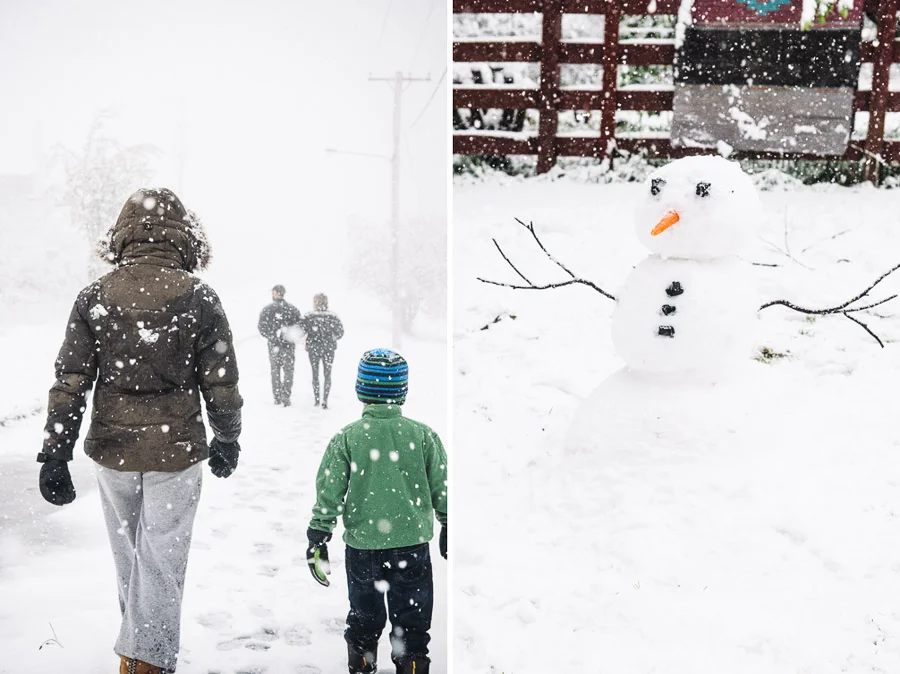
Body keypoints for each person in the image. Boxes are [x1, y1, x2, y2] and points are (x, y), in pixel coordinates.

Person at [36, 188, 243, 674]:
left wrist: (56, 452)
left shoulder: (95, 297)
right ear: (185, 236)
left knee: (131, 555)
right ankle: (148, 662)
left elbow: (71, 379)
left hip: (114, 450)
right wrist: (228, 436)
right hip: (177, 448)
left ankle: (138, 655)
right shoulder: (199, 297)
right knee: (161, 561)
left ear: (122, 234)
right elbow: (221, 379)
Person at [305, 349, 448, 674]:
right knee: (412, 629)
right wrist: (447, 521)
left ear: (361, 390)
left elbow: (329, 491)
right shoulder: (422, 436)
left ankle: (362, 664)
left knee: (364, 622)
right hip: (411, 546)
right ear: (402, 392)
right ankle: (412, 666)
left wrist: (319, 532)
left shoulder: (348, 438)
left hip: (363, 549)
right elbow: (442, 484)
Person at [257, 284, 303, 406]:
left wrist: (272, 336)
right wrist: (289, 337)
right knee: (288, 371)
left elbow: (261, 327)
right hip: (288, 345)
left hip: (274, 346)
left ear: (274, 293)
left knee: (275, 371)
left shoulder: (267, 310)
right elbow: (300, 327)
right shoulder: (292, 309)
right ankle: (285, 396)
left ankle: (277, 397)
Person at [301, 293, 343, 409]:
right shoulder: (333, 316)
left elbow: (301, 330)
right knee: (327, 374)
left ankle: (317, 399)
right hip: (328, 349)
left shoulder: (309, 316)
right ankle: (325, 399)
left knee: (315, 373)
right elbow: (340, 333)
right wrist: (331, 337)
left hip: (313, 348)